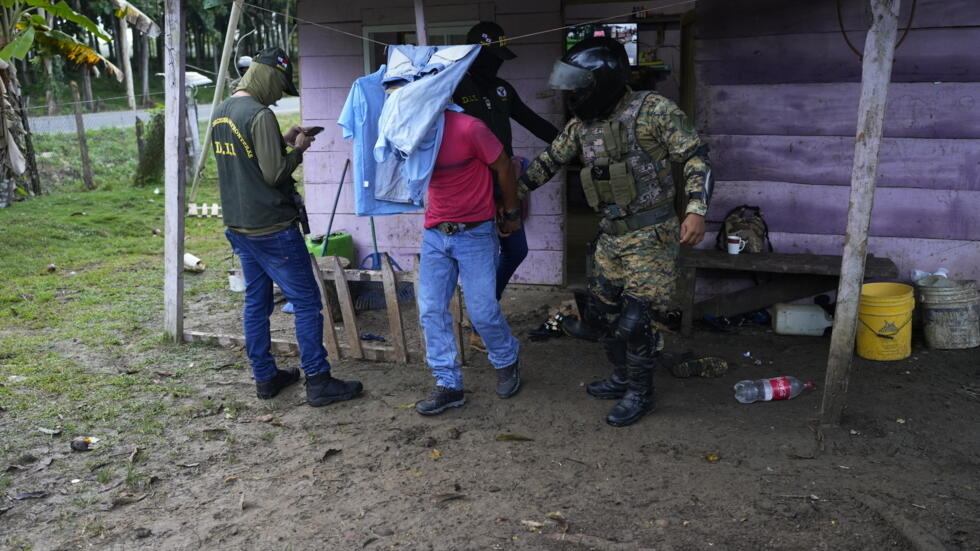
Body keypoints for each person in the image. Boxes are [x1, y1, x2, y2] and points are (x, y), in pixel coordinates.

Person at [519, 37, 713, 427]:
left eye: (580, 87)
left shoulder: (653, 111)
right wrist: (510, 196)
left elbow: (695, 157)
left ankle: (641, 394)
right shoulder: (581, 125)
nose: (573, 96)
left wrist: (696, 210)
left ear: (602, 82)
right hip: (611, 236)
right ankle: (622, 376)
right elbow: (548, 162)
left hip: (652, 235)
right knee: (605, 312)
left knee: (636, 321)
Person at [211, 47, 363, 407]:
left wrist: (281, 140)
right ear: (267, 75)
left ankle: (265, 377)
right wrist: (299, 148)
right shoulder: (259, 114)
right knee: (309, 303)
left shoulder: (222, 112)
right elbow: (274, 174)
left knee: (256, 303)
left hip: (239, 226)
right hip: (272, 228)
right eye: (280, 84)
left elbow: (247, 157)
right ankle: (318, 380)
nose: (280, 94)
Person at [453, 22, 560, 352]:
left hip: (504, 183)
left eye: (501, 57)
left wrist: (571, 143)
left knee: (516, 250)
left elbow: (534, 122)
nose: (497, 64)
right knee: (483, 257)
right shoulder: (454, 88)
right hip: (472, 189)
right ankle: (480, 327)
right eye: (492, 56)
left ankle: (482, 314)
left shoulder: (502, 90)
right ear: (475, 54)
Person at [414, 108, 524, 415]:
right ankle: (448, 383)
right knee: (431, 310)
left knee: (483, 312)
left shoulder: (469, 127)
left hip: (475, 233)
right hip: (436, 234)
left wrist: (512, 212)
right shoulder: (409, 128)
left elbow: (503, 165)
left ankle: (506, 358)